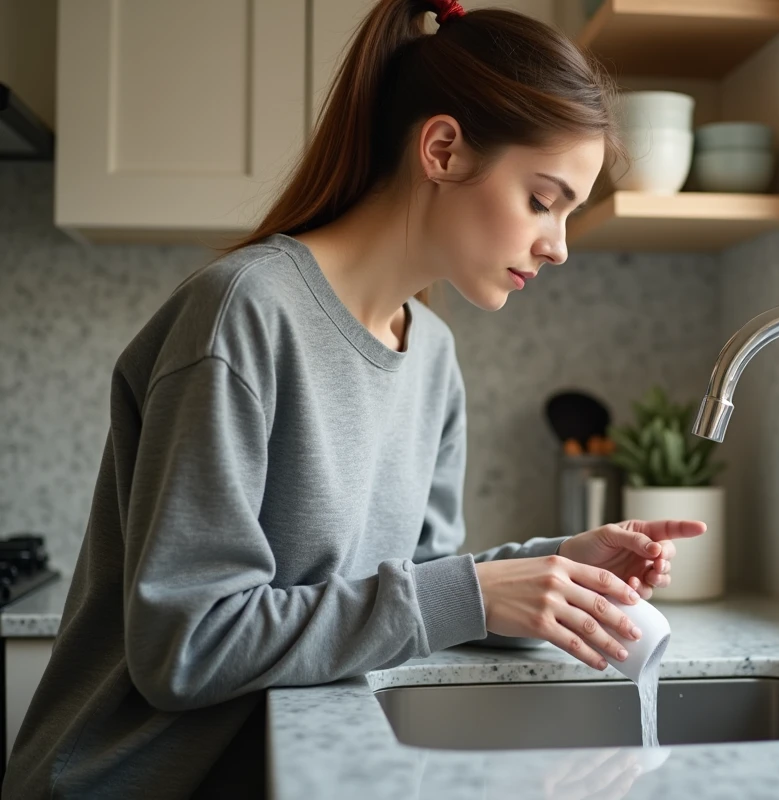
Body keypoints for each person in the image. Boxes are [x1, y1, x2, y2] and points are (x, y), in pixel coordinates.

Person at [2, 1, 706, 796]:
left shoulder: (433, 355)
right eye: (543, 200)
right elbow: (188, 645)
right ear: (441, 149)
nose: (560, 244)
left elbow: (413, 588)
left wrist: (552, 571)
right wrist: (470, 593)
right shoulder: (244, 315)